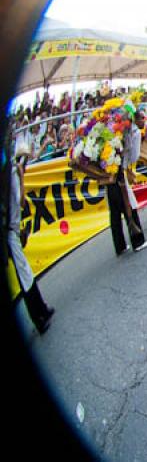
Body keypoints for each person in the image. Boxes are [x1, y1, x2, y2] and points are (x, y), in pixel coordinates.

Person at [7, 142, 55, 335]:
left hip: (13, 229)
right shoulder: (10, 173)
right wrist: (21, 177)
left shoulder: (10, 170)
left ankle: (42, 309)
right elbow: (20, 200)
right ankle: (38, 318)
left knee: (26, 271)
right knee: (24, 273)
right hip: (10, 231)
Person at [105, 109, 147, 255]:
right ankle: (138, 241)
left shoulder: (113, 134)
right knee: (129, 206)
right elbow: (134, 156)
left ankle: (120, 246)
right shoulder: (131, 133)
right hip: (119, 174)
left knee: (115, 213)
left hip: (109, 176)